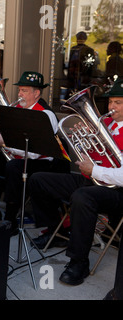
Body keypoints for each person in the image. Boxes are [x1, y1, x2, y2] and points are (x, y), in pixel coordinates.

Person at [28, 78, 123, 286]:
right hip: (91, 180)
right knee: (39, 180)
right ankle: (55, 230)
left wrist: (95, 169)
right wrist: (81, 137)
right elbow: (90, 153)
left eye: (118, 102)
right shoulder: (104, 123)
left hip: (116, 192)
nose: (111, 107)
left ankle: (79, 262)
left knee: (82, 197)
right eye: (110, 102)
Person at [0, 71, 70, 231]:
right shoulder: (17, 108)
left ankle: (10, 221)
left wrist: (5, 142)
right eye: (19, 90)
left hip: (42, 163)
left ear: (36, 93)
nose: (19, 94)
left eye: (24, 91)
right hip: (18, 158)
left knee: (14, 167)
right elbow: (8, 134)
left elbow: (35, 152)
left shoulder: (46, 114)